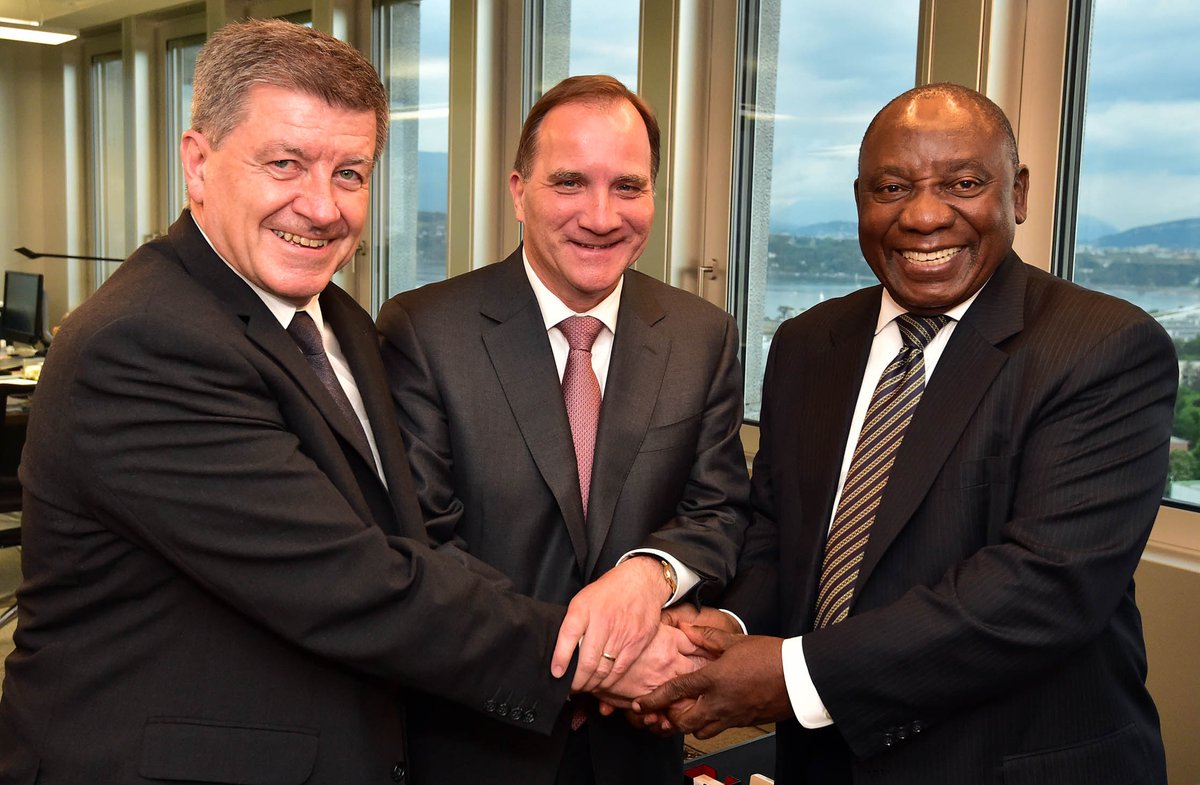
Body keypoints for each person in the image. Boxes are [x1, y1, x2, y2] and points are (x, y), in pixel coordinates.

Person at [0, 20, 633, 783]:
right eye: (285, 163)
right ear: (197, 164)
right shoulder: (142, 340)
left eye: (351, 173)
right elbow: (351, 582)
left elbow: (409, 543)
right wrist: (597, 656)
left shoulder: (343, 323)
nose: (323, 207)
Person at [636, 83, 1175, 784]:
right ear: (859, 198)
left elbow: (1042, 588)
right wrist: (725, 632)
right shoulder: (807, 343)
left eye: (963, 182)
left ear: (1019, 193)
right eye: (892, 186)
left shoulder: (1103, 347)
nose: (923, 215)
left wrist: (792, 674)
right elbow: (777, 528)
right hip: (826, 761)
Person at [376, 74, 750, 784]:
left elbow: (720, 508)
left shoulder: (704, 336)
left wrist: (650, 573)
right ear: (518, 189)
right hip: (482, 742)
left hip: (637, 751)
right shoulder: (424, 331)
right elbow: (426, 544)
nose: (602, 215)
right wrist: (599, 662)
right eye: (570, 182)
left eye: (629, 187)